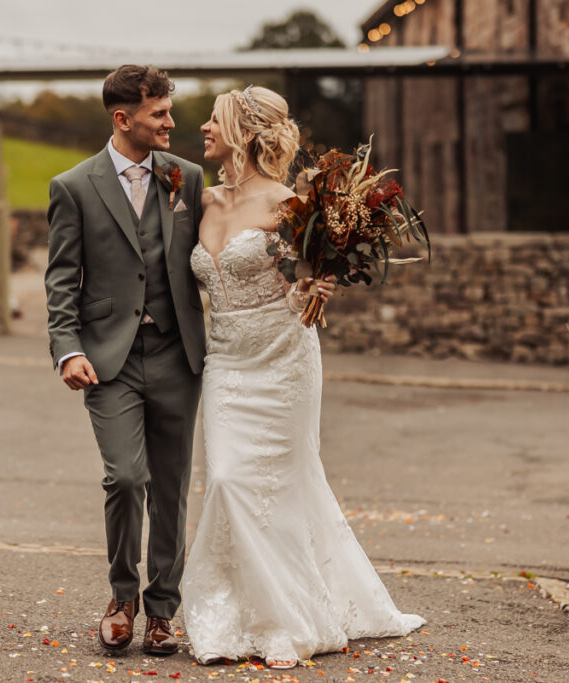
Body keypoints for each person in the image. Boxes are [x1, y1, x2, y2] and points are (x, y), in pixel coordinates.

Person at [181, 86, 425, 669]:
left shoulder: (293, 204)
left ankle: (283, 616)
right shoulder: (199, 200)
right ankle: (235, 607)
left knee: (281, 485)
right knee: (227, 481)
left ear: (242, 131)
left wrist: (317, 285)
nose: (203, 129)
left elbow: (307, 278)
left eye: (213, 121)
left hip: (284, 357)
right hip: (226, 362)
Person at [44, 65, 206, 657]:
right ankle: (122, 596)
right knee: (126, 477)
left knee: (171, 485)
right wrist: (68, 348)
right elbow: (62, 277)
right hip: (108, 359)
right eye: (159, 113)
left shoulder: (186, 178)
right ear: (123, 118)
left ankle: (164, 611)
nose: (171, 121)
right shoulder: (74, 185)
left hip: (177, 353)